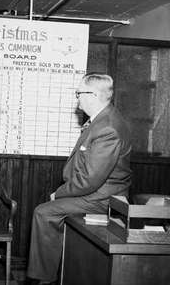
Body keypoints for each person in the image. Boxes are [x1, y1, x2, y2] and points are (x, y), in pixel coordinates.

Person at [27, 73, 132, 285]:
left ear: (92, 95)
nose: (78, 99)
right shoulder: (102, 120)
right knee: (48, 209)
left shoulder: (108, 127)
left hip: (103, 198)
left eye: (79, 93)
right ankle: (58, 273)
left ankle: (43, 279)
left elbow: (89, 180)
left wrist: (59, 193)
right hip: (94, 193)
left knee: (43, 212)